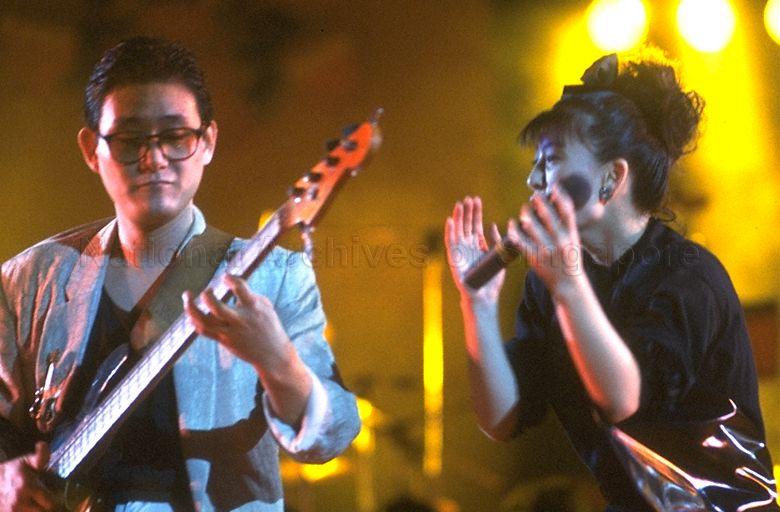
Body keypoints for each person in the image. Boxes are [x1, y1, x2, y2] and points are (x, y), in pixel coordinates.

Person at [0, 37, 360, 511]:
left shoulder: (275, 276)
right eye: (129, 140)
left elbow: (332, 435)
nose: (154, 159)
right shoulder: (30, 279)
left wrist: (278, 363)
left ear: (207, 141)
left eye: (175, 137)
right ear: (92, 149)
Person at [445, 51, 776, 510]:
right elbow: (502, 419)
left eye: (551, 159)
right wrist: (476, 305)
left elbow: (623, 401)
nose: (532, 178)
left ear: (611, 177)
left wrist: (569, 287)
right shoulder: (551, 285)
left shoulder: (687, 276)